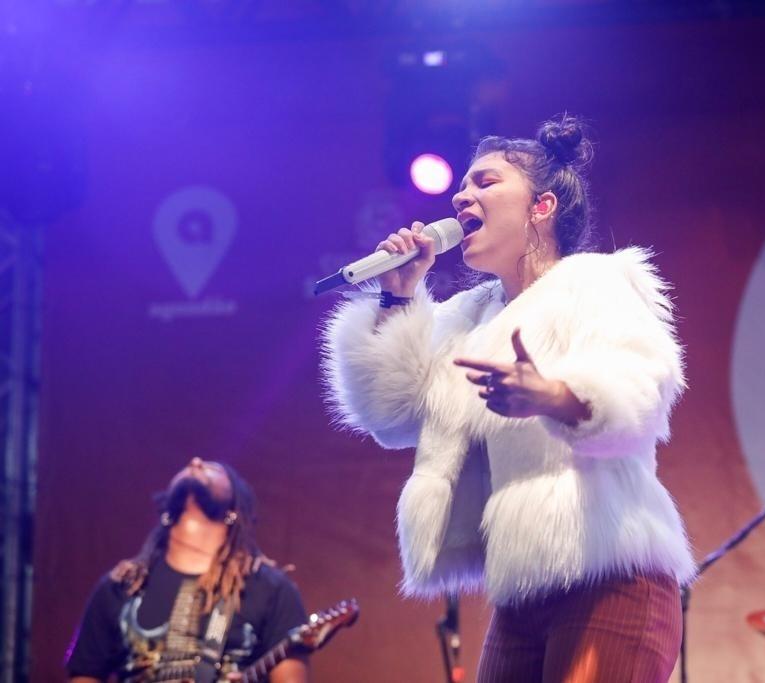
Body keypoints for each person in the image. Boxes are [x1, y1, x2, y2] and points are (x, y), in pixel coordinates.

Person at [322, 114, 694, 682]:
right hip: (521, 590)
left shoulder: (594, 282)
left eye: (485, 182)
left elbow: (642, 392)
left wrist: (556, 395)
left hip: (612, 572)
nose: (461, 195)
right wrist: (399, 297)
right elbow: (390, 417)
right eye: (463, 185)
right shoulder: (468, 318)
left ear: (541, 207)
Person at [66, 458, 309, 683]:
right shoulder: (122, 586)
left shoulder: (270, 589)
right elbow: (85, 675)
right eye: (190, 465)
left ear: (234, 510)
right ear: (166, 511)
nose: (196, 462)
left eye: (214, 469)